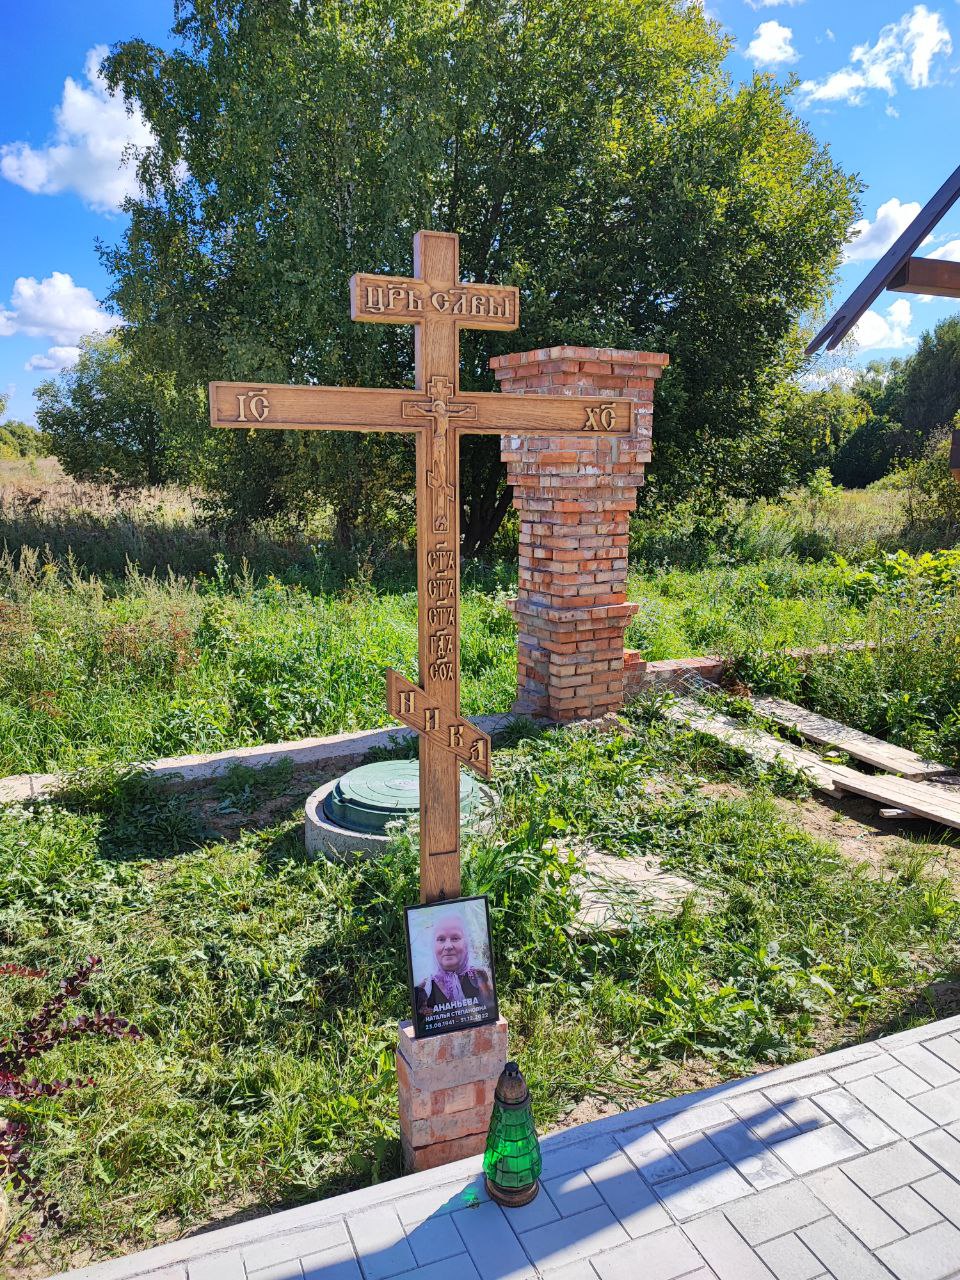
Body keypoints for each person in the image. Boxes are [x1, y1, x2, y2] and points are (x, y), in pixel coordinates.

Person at [416, 912, 495, 1023]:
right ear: (432, 945)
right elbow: (423, 1025)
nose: (448, 946)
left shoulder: (479, 976)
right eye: (441, 939)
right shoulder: (425, 987)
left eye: (455, 938)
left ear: (466, 943)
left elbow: (490, 1015)